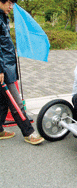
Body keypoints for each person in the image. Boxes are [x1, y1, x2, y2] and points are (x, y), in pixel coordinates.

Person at [0, 0, 44, 144]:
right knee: (15, 101)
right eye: (9, 3)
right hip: (4, 69)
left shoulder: (3, 17)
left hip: (7, 66)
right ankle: (29, 132)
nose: (11, 7)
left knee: (2, 102)